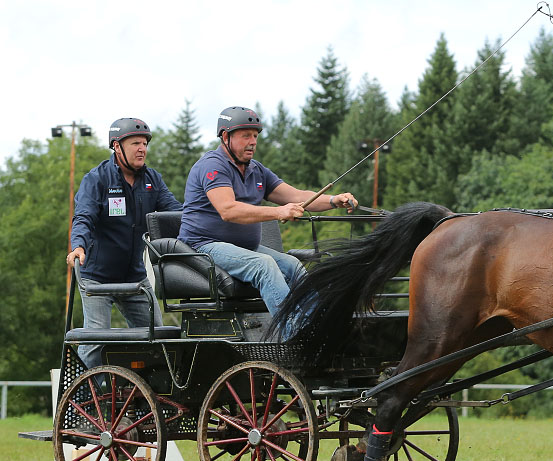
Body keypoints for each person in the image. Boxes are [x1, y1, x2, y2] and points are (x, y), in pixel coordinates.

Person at [178, 106, 356, 323]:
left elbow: (296, 195)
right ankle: (295, 333)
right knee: (265, 265)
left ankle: (318, 325)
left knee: (293, 265)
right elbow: (228, 210)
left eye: (255, 136)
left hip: (242, 248)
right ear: (225, 137)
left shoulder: (256, 170)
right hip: (203, 245)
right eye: (245, 136)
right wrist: (278, 211)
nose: (253, 141)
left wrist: (333, 200)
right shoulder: (212, 166)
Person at [66, 118, 183, 367]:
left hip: (134, 277)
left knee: (157, 338)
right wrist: (78, 246)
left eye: (144, 143)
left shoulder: (153, 180)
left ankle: (143, 398)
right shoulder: (97, 180)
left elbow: (175, 215)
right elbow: (83, 217)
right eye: (135, 143)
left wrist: (207, 223)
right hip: (96, 277)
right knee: (96, 339)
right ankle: (84, 400)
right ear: (117, 147)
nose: (142, 148)